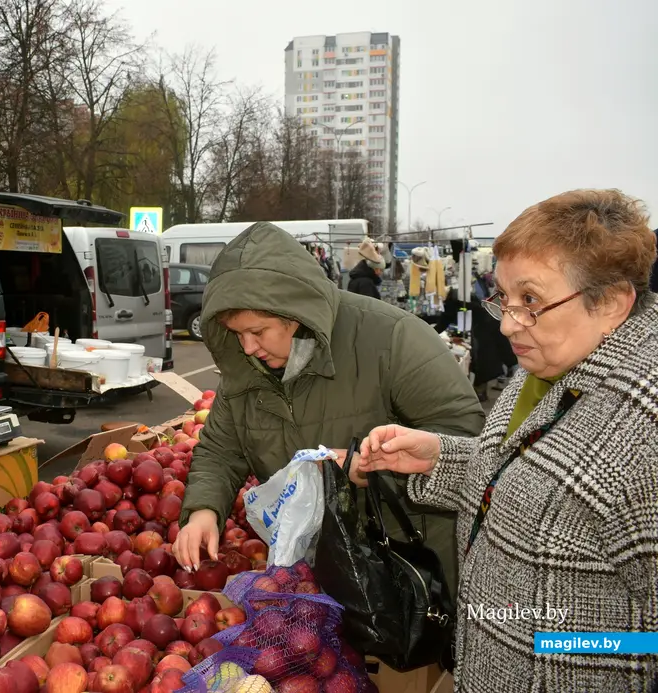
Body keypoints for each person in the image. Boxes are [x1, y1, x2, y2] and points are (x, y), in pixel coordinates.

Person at [358, 189, 658, 692]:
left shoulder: (642, 431)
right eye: (505, 296)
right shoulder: (551, 360)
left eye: (531, 300)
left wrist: (561, 648)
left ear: (610, 303)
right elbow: (536, 482)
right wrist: (440, 458)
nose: (507, 321)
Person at [173, 222, 485, 594]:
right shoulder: (244, 370)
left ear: (292, 313)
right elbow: (221, 449)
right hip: (319, 574)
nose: (247, 347)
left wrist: (373, 468)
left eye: (257, 332)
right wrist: (204, 511)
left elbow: (465, 444)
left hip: (409, 571)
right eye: (237, 334)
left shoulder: (393, 338)